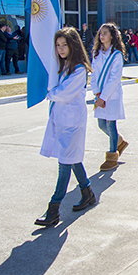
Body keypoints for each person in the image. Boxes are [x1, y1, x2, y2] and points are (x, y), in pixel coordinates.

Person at [35, 27, 95, 226]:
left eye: (64, 45)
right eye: (58, 45)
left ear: (73, 45)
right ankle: (87, 192)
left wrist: (48, 92)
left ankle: (53, 209)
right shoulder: (62, 66)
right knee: (72, 158)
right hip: (61, 121)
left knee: (64, 164)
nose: (60, 49)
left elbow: (63, 93)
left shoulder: (78, 69)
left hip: (73, 123)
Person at [91, 23, 127, 172]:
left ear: (112, 36)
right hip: (100, 94)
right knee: (101, 124)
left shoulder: (117, 55)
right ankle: (119, 141)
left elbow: (114, 78)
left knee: (111, 124)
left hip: (111, 96)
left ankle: (112, 157)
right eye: (100, 33)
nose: (102, 36)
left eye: (105, 33)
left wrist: (104, 97)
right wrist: (97, 93)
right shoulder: (96, 53)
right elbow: (93, 74)